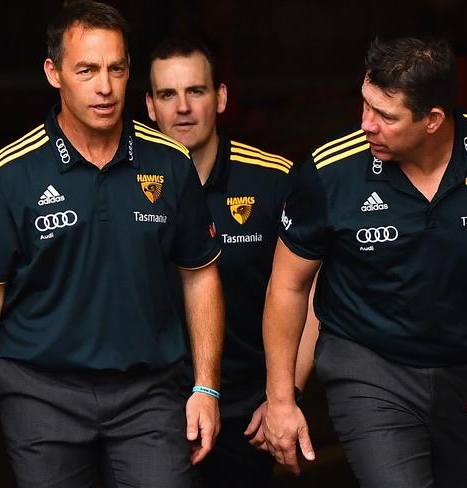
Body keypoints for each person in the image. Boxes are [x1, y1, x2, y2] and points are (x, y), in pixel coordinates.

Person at [260, 36, 467, 487]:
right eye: (364, 105)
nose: (366, 125)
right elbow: (288, 285)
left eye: (385, 115)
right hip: (368, 367)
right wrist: (281, 400)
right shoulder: (329, 173)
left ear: (433, 120)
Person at [0, 2, 224, 487]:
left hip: (150, 393)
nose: (105, 87)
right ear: (54, 73)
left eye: (116, 69)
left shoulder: (171, 163)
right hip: (41, 393)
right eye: (87, 70)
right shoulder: (9, 173)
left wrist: (206, 386)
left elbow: (200, 275)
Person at [145, 37, 319, 487]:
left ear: (220, 98)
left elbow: (312, 291)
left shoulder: (272, 179)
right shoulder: (124, 184)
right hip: (150, 407)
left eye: (196, 91)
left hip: (245, 408)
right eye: (167, 94)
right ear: (149, 106)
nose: (182, 107)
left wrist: (285, 395)